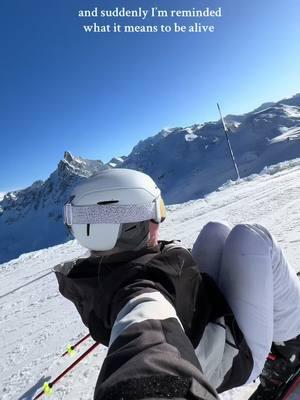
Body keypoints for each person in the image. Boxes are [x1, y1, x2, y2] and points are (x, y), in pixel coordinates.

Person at [54, 168, 300, 400]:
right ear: (131, 225)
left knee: (216, 231)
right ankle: (293, 347)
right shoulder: (141, 295)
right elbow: (147, 340)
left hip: (208, 325)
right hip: (231, 357)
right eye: (157, 210)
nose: (161, 219)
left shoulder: (112, 264)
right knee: (253, 238)